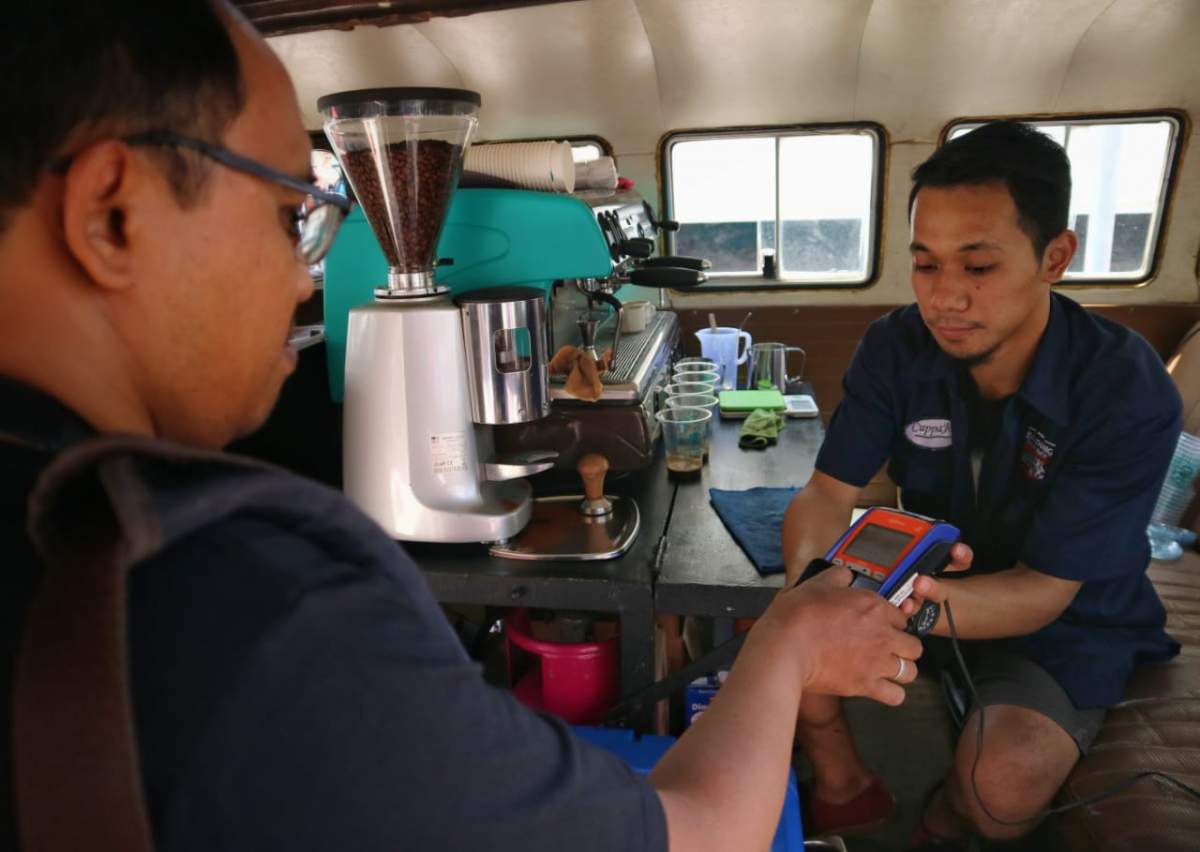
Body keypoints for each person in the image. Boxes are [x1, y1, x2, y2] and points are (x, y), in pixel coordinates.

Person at [0, 3, 933, 850]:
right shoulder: (260, 606)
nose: (306, 279)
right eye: (295, 216)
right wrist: (788, 644)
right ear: (113, 214)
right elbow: (697, 834)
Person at [781, 120, 1182, 847]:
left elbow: (1042, 592)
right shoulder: (895, 348)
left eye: (978, 267)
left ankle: (939, 818)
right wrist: (808, 594)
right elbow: (826, 494)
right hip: (923, 587)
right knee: (779, 645)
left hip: (1066, 624)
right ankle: (846, 790)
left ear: (1055, 257)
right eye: (926, 265)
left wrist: (894, 613)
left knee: (999, 788)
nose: (945, 298)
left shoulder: (1125, 390)